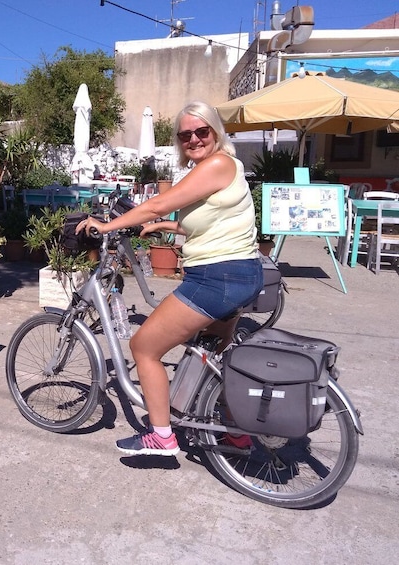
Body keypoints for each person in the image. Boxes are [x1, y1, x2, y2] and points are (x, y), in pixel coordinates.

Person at [77, 101, 263, 457]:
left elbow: (156, 203)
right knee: (210, 355)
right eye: (185, 135)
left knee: (144, 348)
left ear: (216, 132)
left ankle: (161, 436)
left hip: (216, 278)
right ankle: (234, 432)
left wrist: (107, 225)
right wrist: (167, 226)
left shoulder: (218, 163)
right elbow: (212, 219)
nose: (193, 139)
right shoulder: (225, 167)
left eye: (201, 131)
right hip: (240, 275)